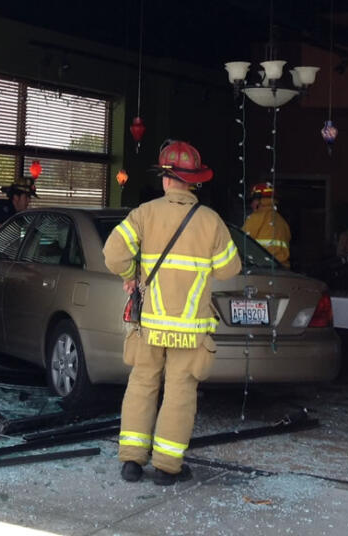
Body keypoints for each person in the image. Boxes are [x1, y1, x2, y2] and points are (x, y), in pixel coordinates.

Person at [103, 139, 240, 486]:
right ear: (193, 181)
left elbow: (114, 253)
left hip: (149, 326)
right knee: (180, 393)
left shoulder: (144, 214)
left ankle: (132, 462)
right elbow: (229, 269)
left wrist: (129, 276)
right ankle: (167, 467)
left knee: (142, 385)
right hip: (191, 330)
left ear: (165, 179)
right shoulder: (210, 221)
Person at [242, 181, 291, 267]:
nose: (251, 205)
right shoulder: (282, 221)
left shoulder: (256, 218)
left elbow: (242, 243)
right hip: (283, 270)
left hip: (262, 269)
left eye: (252, 201)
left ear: (259, 200)